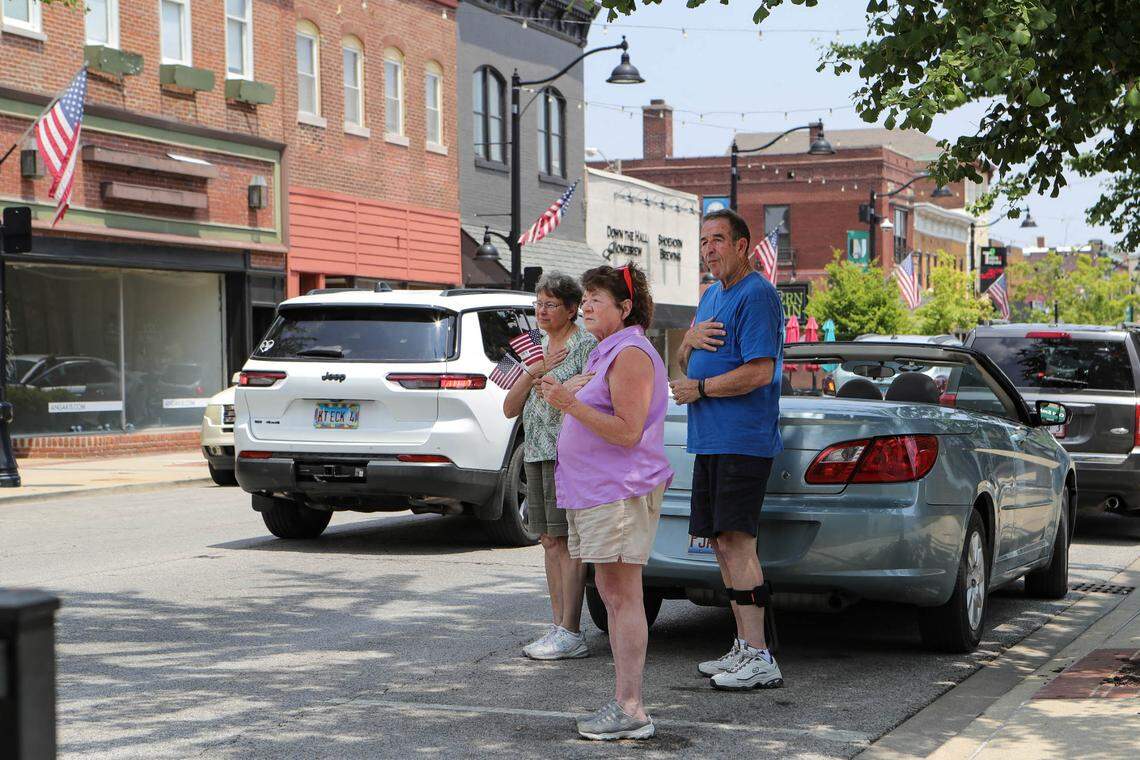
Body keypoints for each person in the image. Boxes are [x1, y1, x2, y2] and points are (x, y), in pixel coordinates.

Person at [538, 263, 673, 741]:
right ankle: (625, 703)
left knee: (620, 596)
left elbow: (628, 431)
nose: (588, 305)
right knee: (614, 596)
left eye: (598, 298)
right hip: (598, 492)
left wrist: (570, 403)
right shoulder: (606, 351)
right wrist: (574, 393)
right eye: (587, 297)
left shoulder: (630, 353)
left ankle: (631, 707)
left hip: (618, 491)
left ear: (625, 307)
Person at [669, 208, 785, 691]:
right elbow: (683, 358)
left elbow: (760, 371)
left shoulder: (757, 294)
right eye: (703, 242)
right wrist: (687, 341)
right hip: (711, 440)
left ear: (743, 246)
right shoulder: (711, 295)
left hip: (743, 440)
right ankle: (742, 647)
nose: (709, 249)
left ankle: (760, 655)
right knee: (719, 543)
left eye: (718, 239)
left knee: (738, 543)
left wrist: (703, 389)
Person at [502, 273, 597, 661]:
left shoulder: (587, 344)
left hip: (568, 454)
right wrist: (534, 370)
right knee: (548, 540)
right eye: (538, 303)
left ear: (572, 308)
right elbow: (509, 407)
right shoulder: (534, 346)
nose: (541, 311)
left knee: (569, 542)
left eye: (551, 304)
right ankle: (557, 624)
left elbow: (594, 390)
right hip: (536, 452)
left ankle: (571, 630)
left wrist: (571, 383)